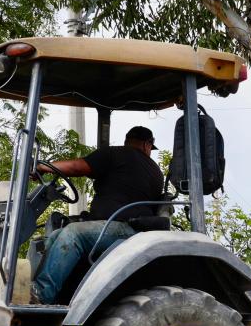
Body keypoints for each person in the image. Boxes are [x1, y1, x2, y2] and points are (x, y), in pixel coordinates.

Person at [31, 126, 164, 304]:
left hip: (124, 227)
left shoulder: (117, 154)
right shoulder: (155, 171)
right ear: (147, 144)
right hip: (128, 229)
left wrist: (42, 167)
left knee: (73, 233)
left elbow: (78, 167)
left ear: (127, 140)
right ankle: (53, 296)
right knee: (55, 235)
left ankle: (40, 295)